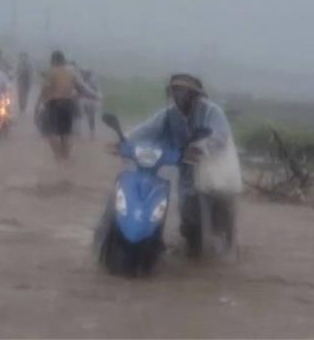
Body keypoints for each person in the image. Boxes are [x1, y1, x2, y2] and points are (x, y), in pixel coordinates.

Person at [115, 73, 239, 257]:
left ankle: (230, 248)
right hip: (187, 176)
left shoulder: (212, 112)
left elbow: (221, 136)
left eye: (183, 92)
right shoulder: (168, 116)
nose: (178, 96)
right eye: (175, 91)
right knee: (189, 220)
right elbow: (145, 130)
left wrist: (200, 147)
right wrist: (123, 140)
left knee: (224, 212)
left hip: (214, 171)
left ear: (194, 95)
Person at [36, 50, 97, 161]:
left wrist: (42, 104)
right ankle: (66, 157)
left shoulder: (51, 72)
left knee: (50, 132)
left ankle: (59, 156)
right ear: (63, 61)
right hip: (68, 105)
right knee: (66, 133)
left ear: (53, 61)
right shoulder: (71, 73)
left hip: (53, 105)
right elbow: (83, 88)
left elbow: (44, 90)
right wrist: (95, 96)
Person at [79, 69, 101, 142]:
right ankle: (89, 134)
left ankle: (91, 134)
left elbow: (95, 94)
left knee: (90, 118)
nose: (84, 76)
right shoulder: (85, 83)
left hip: (90, 103)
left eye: (85, 75)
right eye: (84, 75)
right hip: (87, 102)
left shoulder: (90, 84)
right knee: (88, 118)